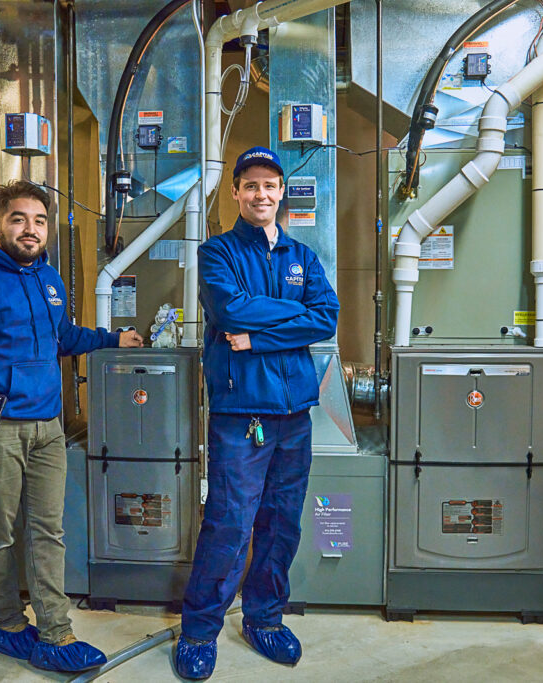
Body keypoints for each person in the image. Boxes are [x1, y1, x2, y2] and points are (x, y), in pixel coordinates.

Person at [0, 180, 143, 674]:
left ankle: (55, 631)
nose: (30, 229)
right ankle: (5, 623)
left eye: (39, 221)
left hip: (48, 427)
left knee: (50, 531)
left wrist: (112, 337)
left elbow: (61, 337)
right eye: (19, 219)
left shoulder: (48, 279)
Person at [173, 147, 339, 679]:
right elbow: (230, 311)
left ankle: (265, 618)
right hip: (241, 413)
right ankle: (199, 629)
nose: (261, 194)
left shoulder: (302, 256)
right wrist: (293, 318)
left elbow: (327, 318)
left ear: (281, 192)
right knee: (229, 523)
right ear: (237, 192)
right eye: (251, 185)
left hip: (294, 414)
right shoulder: (217, 253)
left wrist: (259, 337)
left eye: (270, 185)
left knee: (281, 523)